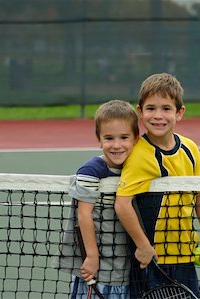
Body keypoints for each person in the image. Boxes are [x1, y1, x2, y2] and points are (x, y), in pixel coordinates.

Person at [114, 73, 200, 298]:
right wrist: (143, 246)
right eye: (151, 109)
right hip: (151, 260)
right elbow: (122, 204)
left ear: (179, 113)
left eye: (166, 109)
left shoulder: (190, 148)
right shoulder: (139, 155)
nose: (158, 116)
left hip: (185, 256)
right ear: (140, 112)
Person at [52, 100, 139, 299]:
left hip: (126, 272)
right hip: (96, 272)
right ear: (99, 140)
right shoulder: (91, 171)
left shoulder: (136, 170)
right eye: (109, 138)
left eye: (124, 137)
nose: (116, 145)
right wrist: (92, 257)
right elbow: (83, 215)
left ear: (136, 138)